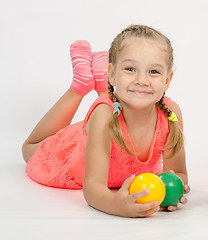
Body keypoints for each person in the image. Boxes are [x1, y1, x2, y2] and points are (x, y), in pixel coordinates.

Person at [22, 25, 189, 218]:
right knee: (29, 150)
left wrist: (170, 194)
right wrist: (115, 205)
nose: (142, 80)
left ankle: (106, 86)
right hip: (72, 153)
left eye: (153, 72)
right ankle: (79, 86)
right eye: (130, 69)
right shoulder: (103, 116)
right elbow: (92, 188)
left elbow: (178, 174)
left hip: (107, 124)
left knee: (119, 101)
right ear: (112, 73)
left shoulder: (170, 114)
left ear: (167, 80)